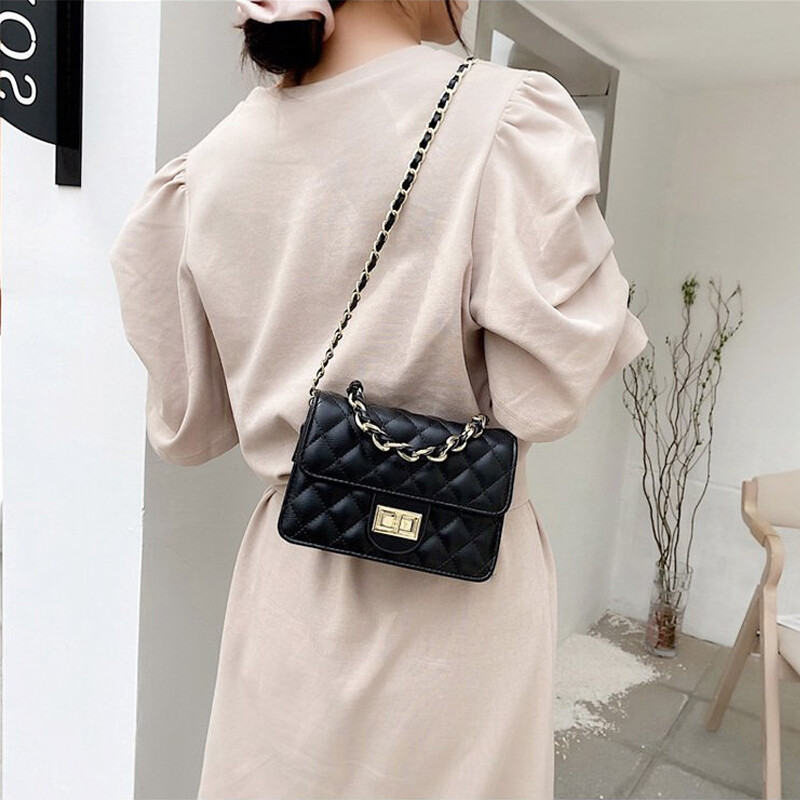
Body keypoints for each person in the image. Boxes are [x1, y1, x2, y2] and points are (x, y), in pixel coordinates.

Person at [109, 1, 650, 797]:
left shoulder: (205, 169)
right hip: (457, 600)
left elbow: (187, 428)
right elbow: (544, 399)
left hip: (293, 587)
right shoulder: (506, 120)